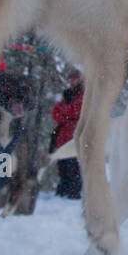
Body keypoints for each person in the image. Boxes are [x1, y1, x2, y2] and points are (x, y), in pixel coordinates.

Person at [50, 69, 83, 199]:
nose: (71, 81)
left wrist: (65, 114)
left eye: (74, 78)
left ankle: (73, 192)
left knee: (73, 166)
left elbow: (75, 110)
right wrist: (66, 115)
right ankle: (63, 190)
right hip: (63, 136)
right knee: (63, 165)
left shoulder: (82, 94)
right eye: (70, 78)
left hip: (74, 134)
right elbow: (55, 113)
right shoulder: (68, 94)